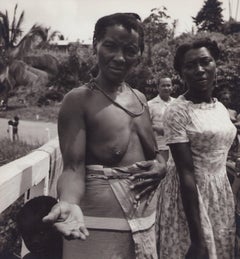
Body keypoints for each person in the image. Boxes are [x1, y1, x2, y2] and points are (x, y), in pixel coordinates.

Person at [43, 13, 166, 259]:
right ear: (95, 45)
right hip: (95, 228)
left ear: (139, 54)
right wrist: (68, 203)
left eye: (130, 50)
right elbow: (73, 167)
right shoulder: (79, 100)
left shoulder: (141, 99)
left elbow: (156, 153)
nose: (119, 58)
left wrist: (162, 166)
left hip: (144, 225)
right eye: (110, 46)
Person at [156, 38, 236, 259]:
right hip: (189, 197)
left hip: (219, 194)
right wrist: (197, 237)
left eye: (205, 61)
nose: (199, 69)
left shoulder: (220, 107)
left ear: (215, 65)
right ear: (181, 74)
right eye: (190, 66)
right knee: (196, 251)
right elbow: (186, 172)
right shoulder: (177, 111)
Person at [148, 77, 175, 161]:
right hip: (160, 147)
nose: (166, 88)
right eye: (163, 86)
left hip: (176, 145)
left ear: (172, 87)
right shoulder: (150, 104)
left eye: (168, 85)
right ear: (158, 88)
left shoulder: (177, 103)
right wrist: (156, 128)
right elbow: (145, 126)